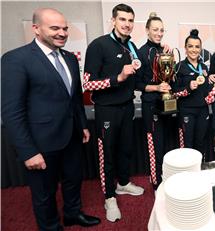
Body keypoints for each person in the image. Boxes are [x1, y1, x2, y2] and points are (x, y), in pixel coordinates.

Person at [1, 8, 100, 230]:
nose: (62, 33)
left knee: (73, 181)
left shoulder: (70, 59)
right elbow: (11, 112)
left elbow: (74, 98)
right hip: (41, 143)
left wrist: (82, 125)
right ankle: (51, 227)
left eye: (65, 28)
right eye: (55, 28)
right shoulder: (16, 59)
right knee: (44, 193)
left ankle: (73, 215)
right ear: (36, 29)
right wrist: (28, 151)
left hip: (72, 136)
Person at [82, 3, 144, 222]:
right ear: (113, 21)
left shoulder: (131, 46)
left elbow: (137, 74)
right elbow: (87, 84)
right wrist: (117, 78)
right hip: (106, 110)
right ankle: (109, 197)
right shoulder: (98, 45)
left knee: (126, 149)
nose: (126, 24)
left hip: (127, 107)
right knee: (107, 154)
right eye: (122, 20)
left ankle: (123, 183)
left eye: (130, 20)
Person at [136, 12, 172, 189]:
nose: (159, 33)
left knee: (165, 146)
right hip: (151, 105)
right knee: (155, 147)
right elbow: (137, 84)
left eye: (162, 30)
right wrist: (157, 88)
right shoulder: (141, 52)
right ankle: (156, 184)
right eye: (155, 30)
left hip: (166, 103)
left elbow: (168, 77)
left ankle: (165, 179)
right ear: (147, 30)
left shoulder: (163, 50)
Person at [171, 29, 212, 158]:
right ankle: (187, 173)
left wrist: (213, 88)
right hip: (186, 111)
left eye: (197, 47)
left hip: (203, 111)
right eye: (190, 46)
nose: (194, 50)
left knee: (201, 143)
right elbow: (174, 92)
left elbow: (206, 90)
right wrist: (188, 88)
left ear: (200, 49)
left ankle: (199, 171)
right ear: (185, 48)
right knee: (187, 145)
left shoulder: (204, 68)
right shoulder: (179, 67)